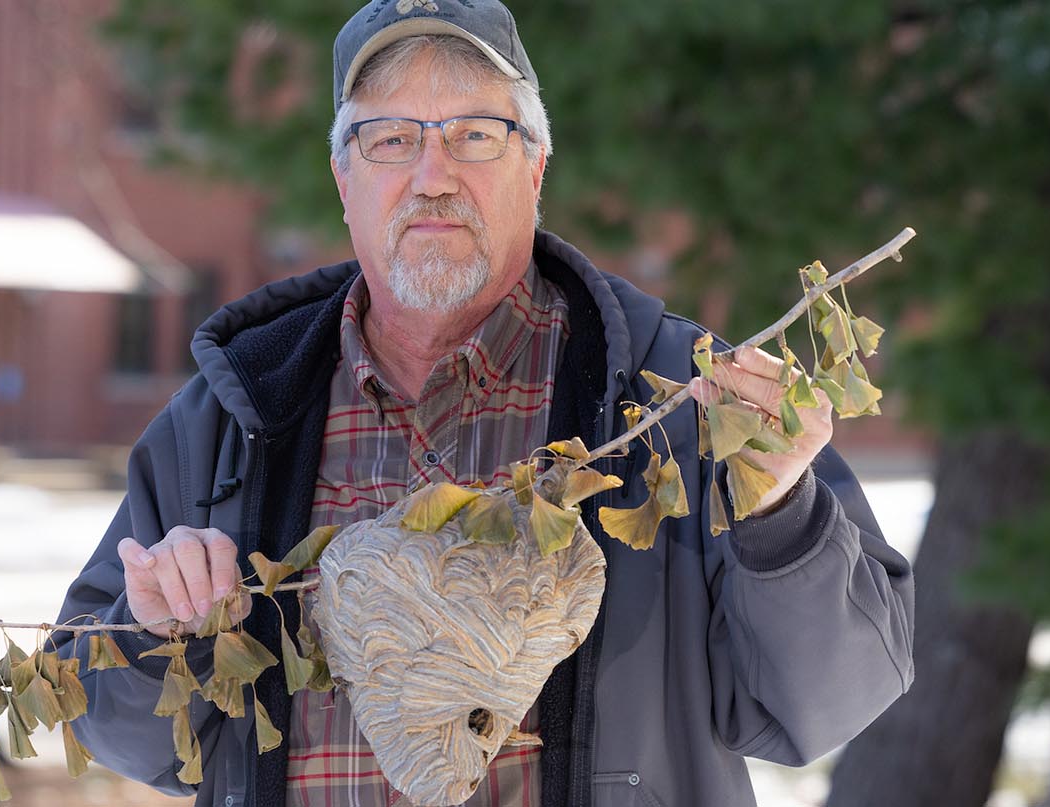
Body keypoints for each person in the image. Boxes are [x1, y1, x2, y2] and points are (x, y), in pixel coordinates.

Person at [53, 1, 915, 805]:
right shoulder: (231, 416)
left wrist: (779, 515)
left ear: (535, 165)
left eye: (475, 134)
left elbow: (830, 699)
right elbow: (112, 722)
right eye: (390, 138)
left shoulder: (685, 398)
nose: (434, 175)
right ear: (343, 176)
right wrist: (156, 634)